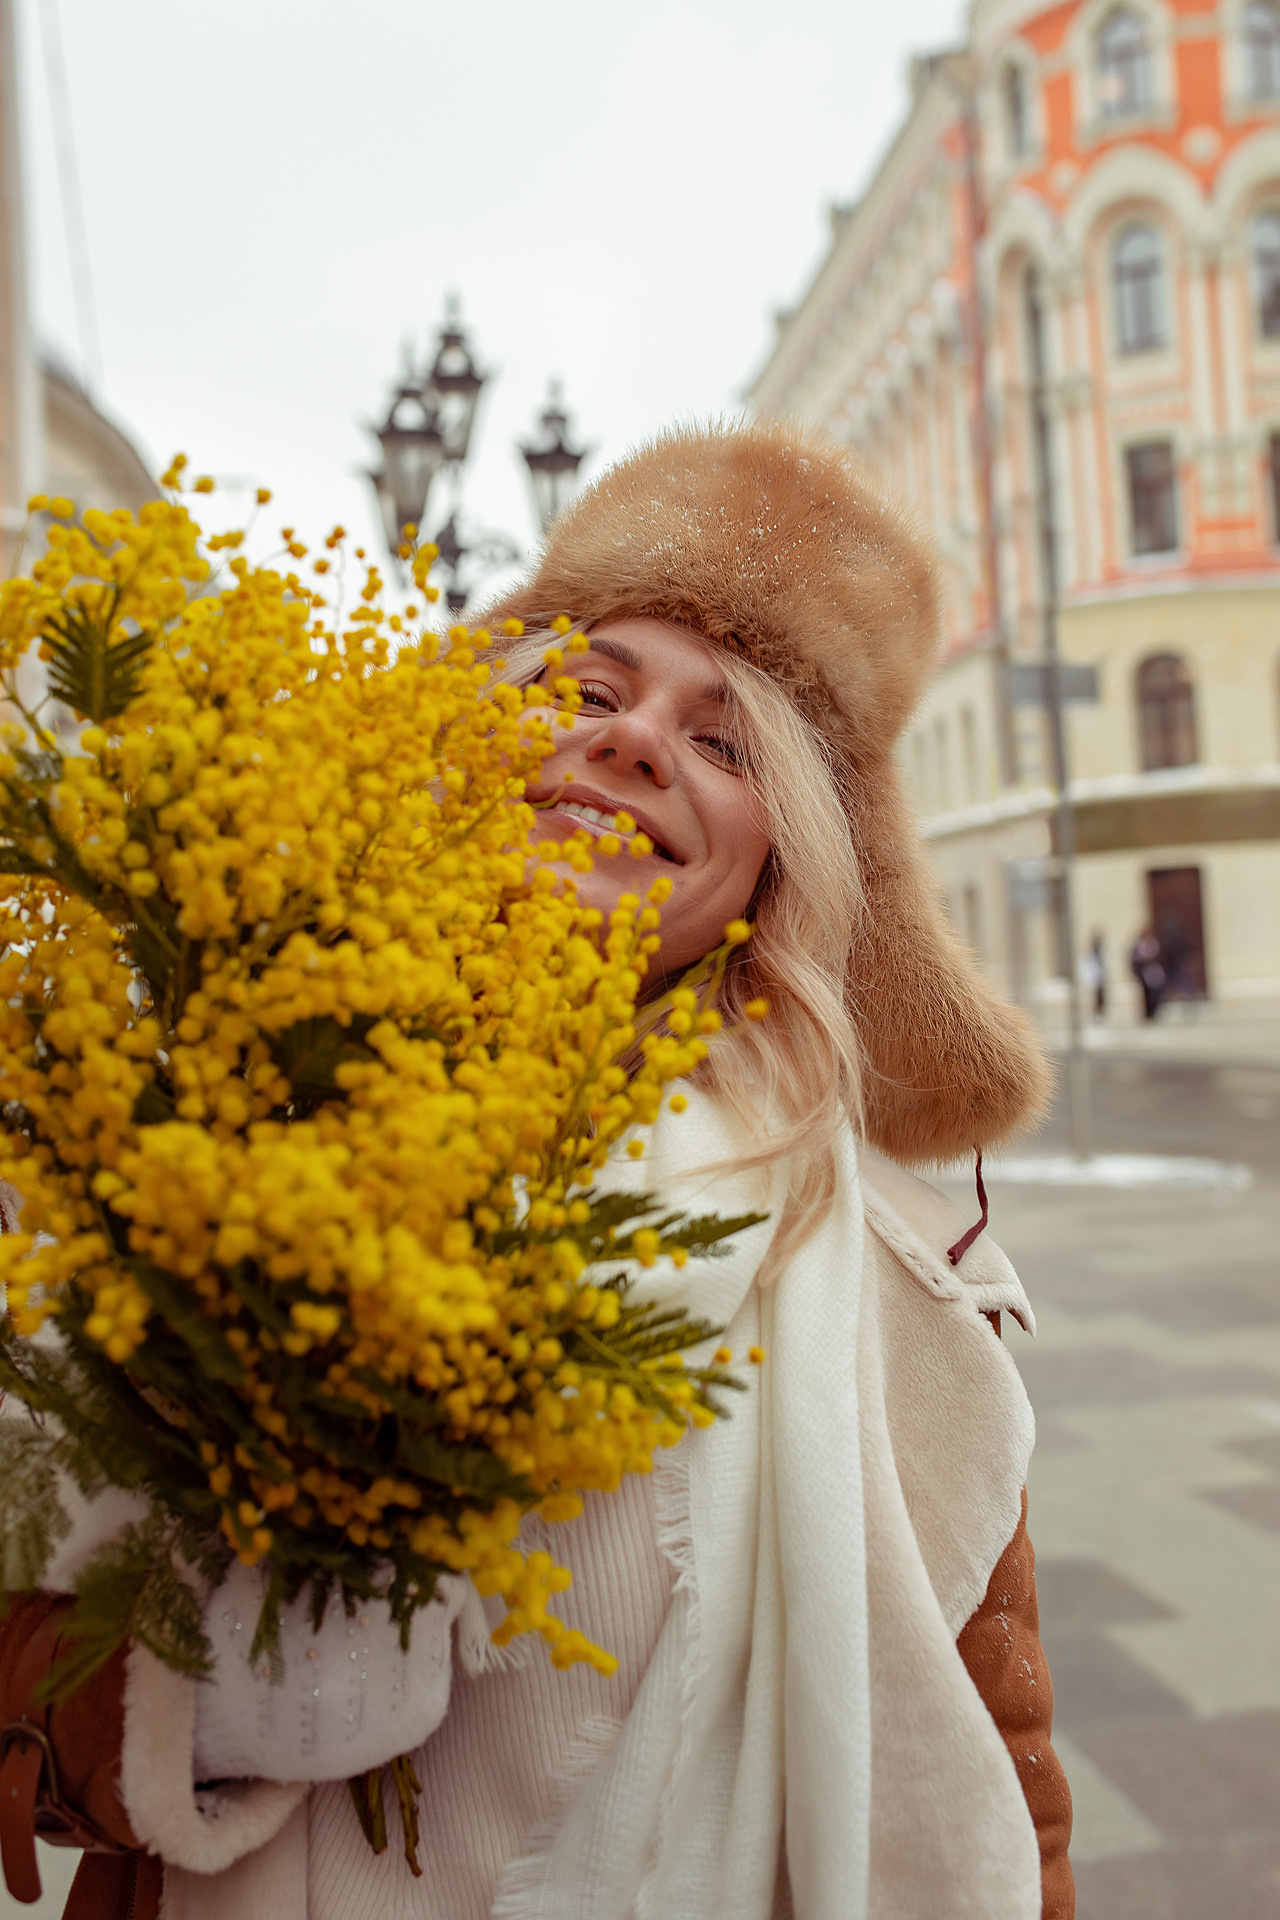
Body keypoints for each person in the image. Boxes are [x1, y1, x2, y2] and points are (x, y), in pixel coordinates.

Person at [0, 423, 1073, 1919]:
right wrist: (217, 1706)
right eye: (586, 690)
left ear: (780, 859)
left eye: (723, 741)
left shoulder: (896, 1281)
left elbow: (999, 1781)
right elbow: (32, 1637)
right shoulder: (190, 1113)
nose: (634, 743)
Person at [1129, 926, 1166, 1021]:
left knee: (1156, 993)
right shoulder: (1139, 946)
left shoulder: (1153, 943)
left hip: (1154, 972)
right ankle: (1148, 1013)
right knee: (1147, 994)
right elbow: (1135, 960)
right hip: (1144, 973)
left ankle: (1154, 1012)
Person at [1081, 932, 1107, 1020]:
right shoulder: (1091, 954)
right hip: (1094, 977)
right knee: (1095, 996)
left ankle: (1101, 1012)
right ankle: (1096, 1012)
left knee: (1102, 996)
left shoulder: (1102, 952)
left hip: (1101, 977)